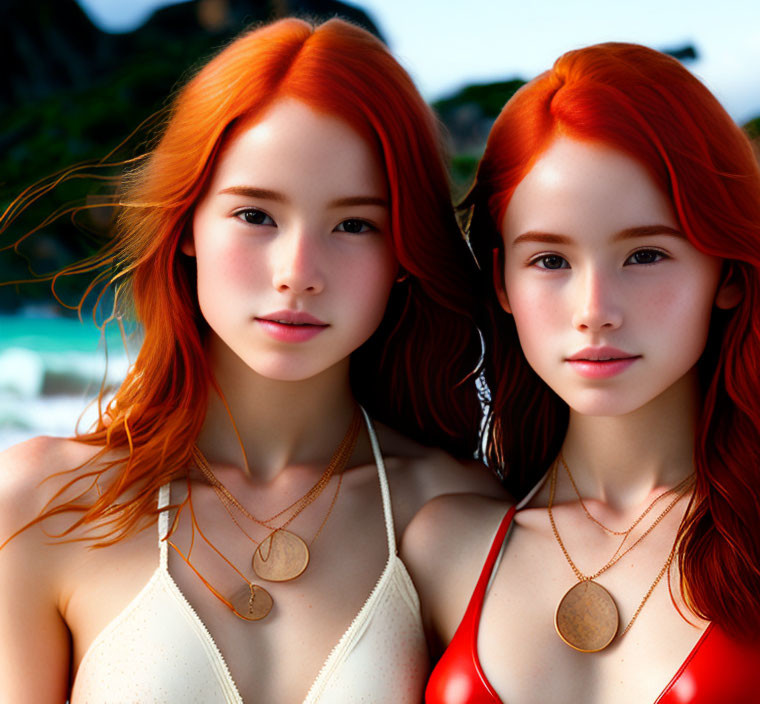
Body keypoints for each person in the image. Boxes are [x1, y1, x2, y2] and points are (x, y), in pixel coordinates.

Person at [0, 17, 503, 703]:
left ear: (404, 257)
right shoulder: (39, 505)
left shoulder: (458, 513)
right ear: (187, 227)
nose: (298, 272)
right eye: (256, 216)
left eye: (355, 225)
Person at [403, 42, 760, 703]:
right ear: (500, 283)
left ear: (726, 270)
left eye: (644, 255)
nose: (594, 311)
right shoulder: (444, 547)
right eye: (550, 261)